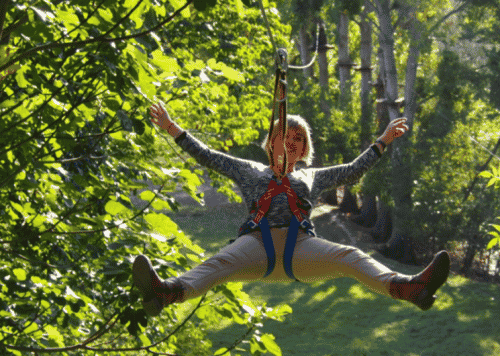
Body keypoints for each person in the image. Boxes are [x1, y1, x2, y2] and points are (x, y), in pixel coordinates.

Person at [132, 103, 450, 317]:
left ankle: (407, 288)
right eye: (285, 136)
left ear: (305, 148)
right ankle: (166, 293)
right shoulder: (248, 170)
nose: (291, 142)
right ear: (271, 142)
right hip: (256, 245)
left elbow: (352, 170)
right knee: (218, 263)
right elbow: (208, 155)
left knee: (352, 257)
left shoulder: (312, 176)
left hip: (302, 249)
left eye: (299, 139)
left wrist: (382, 141)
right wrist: (172, 128)